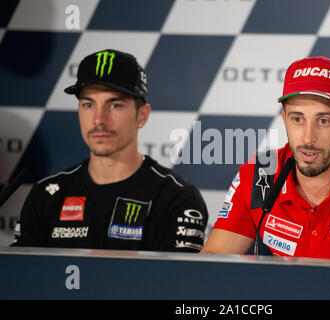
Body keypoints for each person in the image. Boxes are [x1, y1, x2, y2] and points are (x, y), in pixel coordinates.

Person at [201, 56, 330, 262]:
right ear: (285, 120)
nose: (308, 138)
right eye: (298, 119)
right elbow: (212, 265)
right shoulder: (260, 173)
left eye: (324, 120)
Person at [12, 49, 208, 252]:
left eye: (114, 105)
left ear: (142, 115)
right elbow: (25, 278)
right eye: (88, 104)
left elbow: (173, 281)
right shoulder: (47, 195)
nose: (98, 119)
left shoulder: (175, 198)